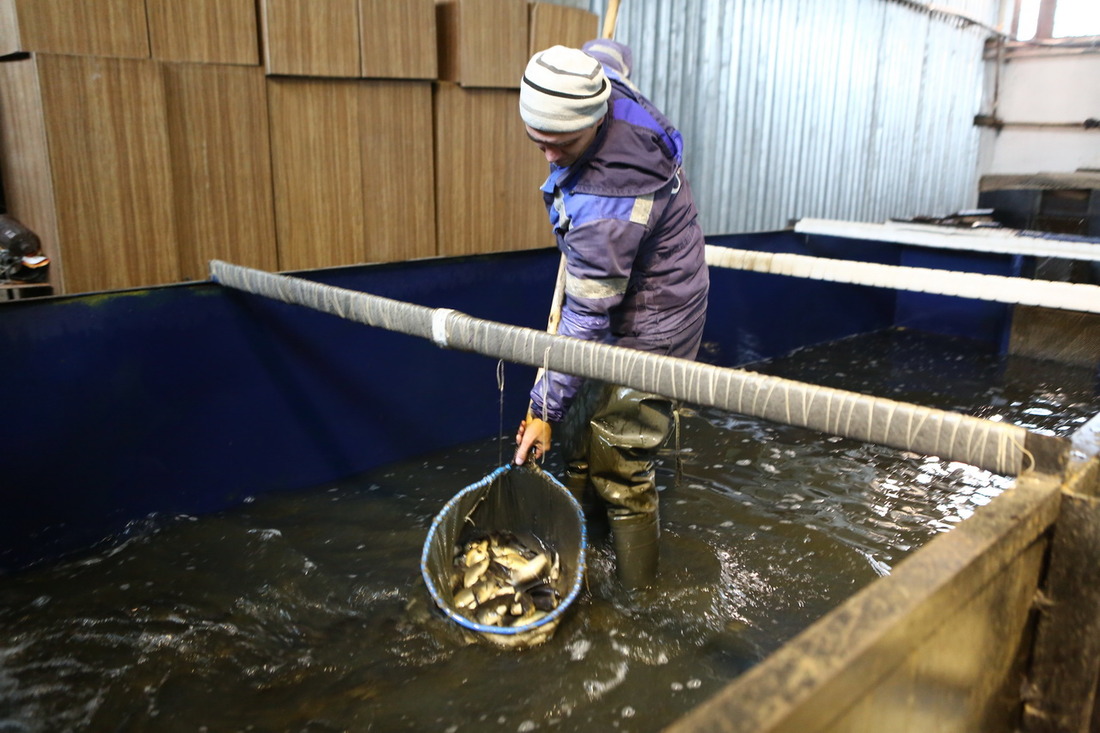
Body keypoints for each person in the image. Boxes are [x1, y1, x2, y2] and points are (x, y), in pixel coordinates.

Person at [513, 40, 709, 590]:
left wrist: (540, 407)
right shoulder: (595, 81)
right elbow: (610, 56)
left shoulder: (607, 198)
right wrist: (598, 52)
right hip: (620, 293)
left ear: (597, 117)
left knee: (620, 461)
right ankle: (584, 566)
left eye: (562, 143)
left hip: (656, 316)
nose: (550, 155)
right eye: (538, 140)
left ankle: (638, 603)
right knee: (579, 442)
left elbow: (586, 320)